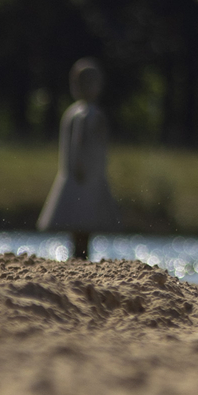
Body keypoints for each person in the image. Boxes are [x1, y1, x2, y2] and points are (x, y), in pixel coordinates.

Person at [37, 59, 120, 261]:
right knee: (83, 222)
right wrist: (81, 166)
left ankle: (78, 258)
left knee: (80, 223)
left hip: (80, 177)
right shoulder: (86, 115)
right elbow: (80, 142)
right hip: (83, 177)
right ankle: (80, 258)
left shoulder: (74, 114)